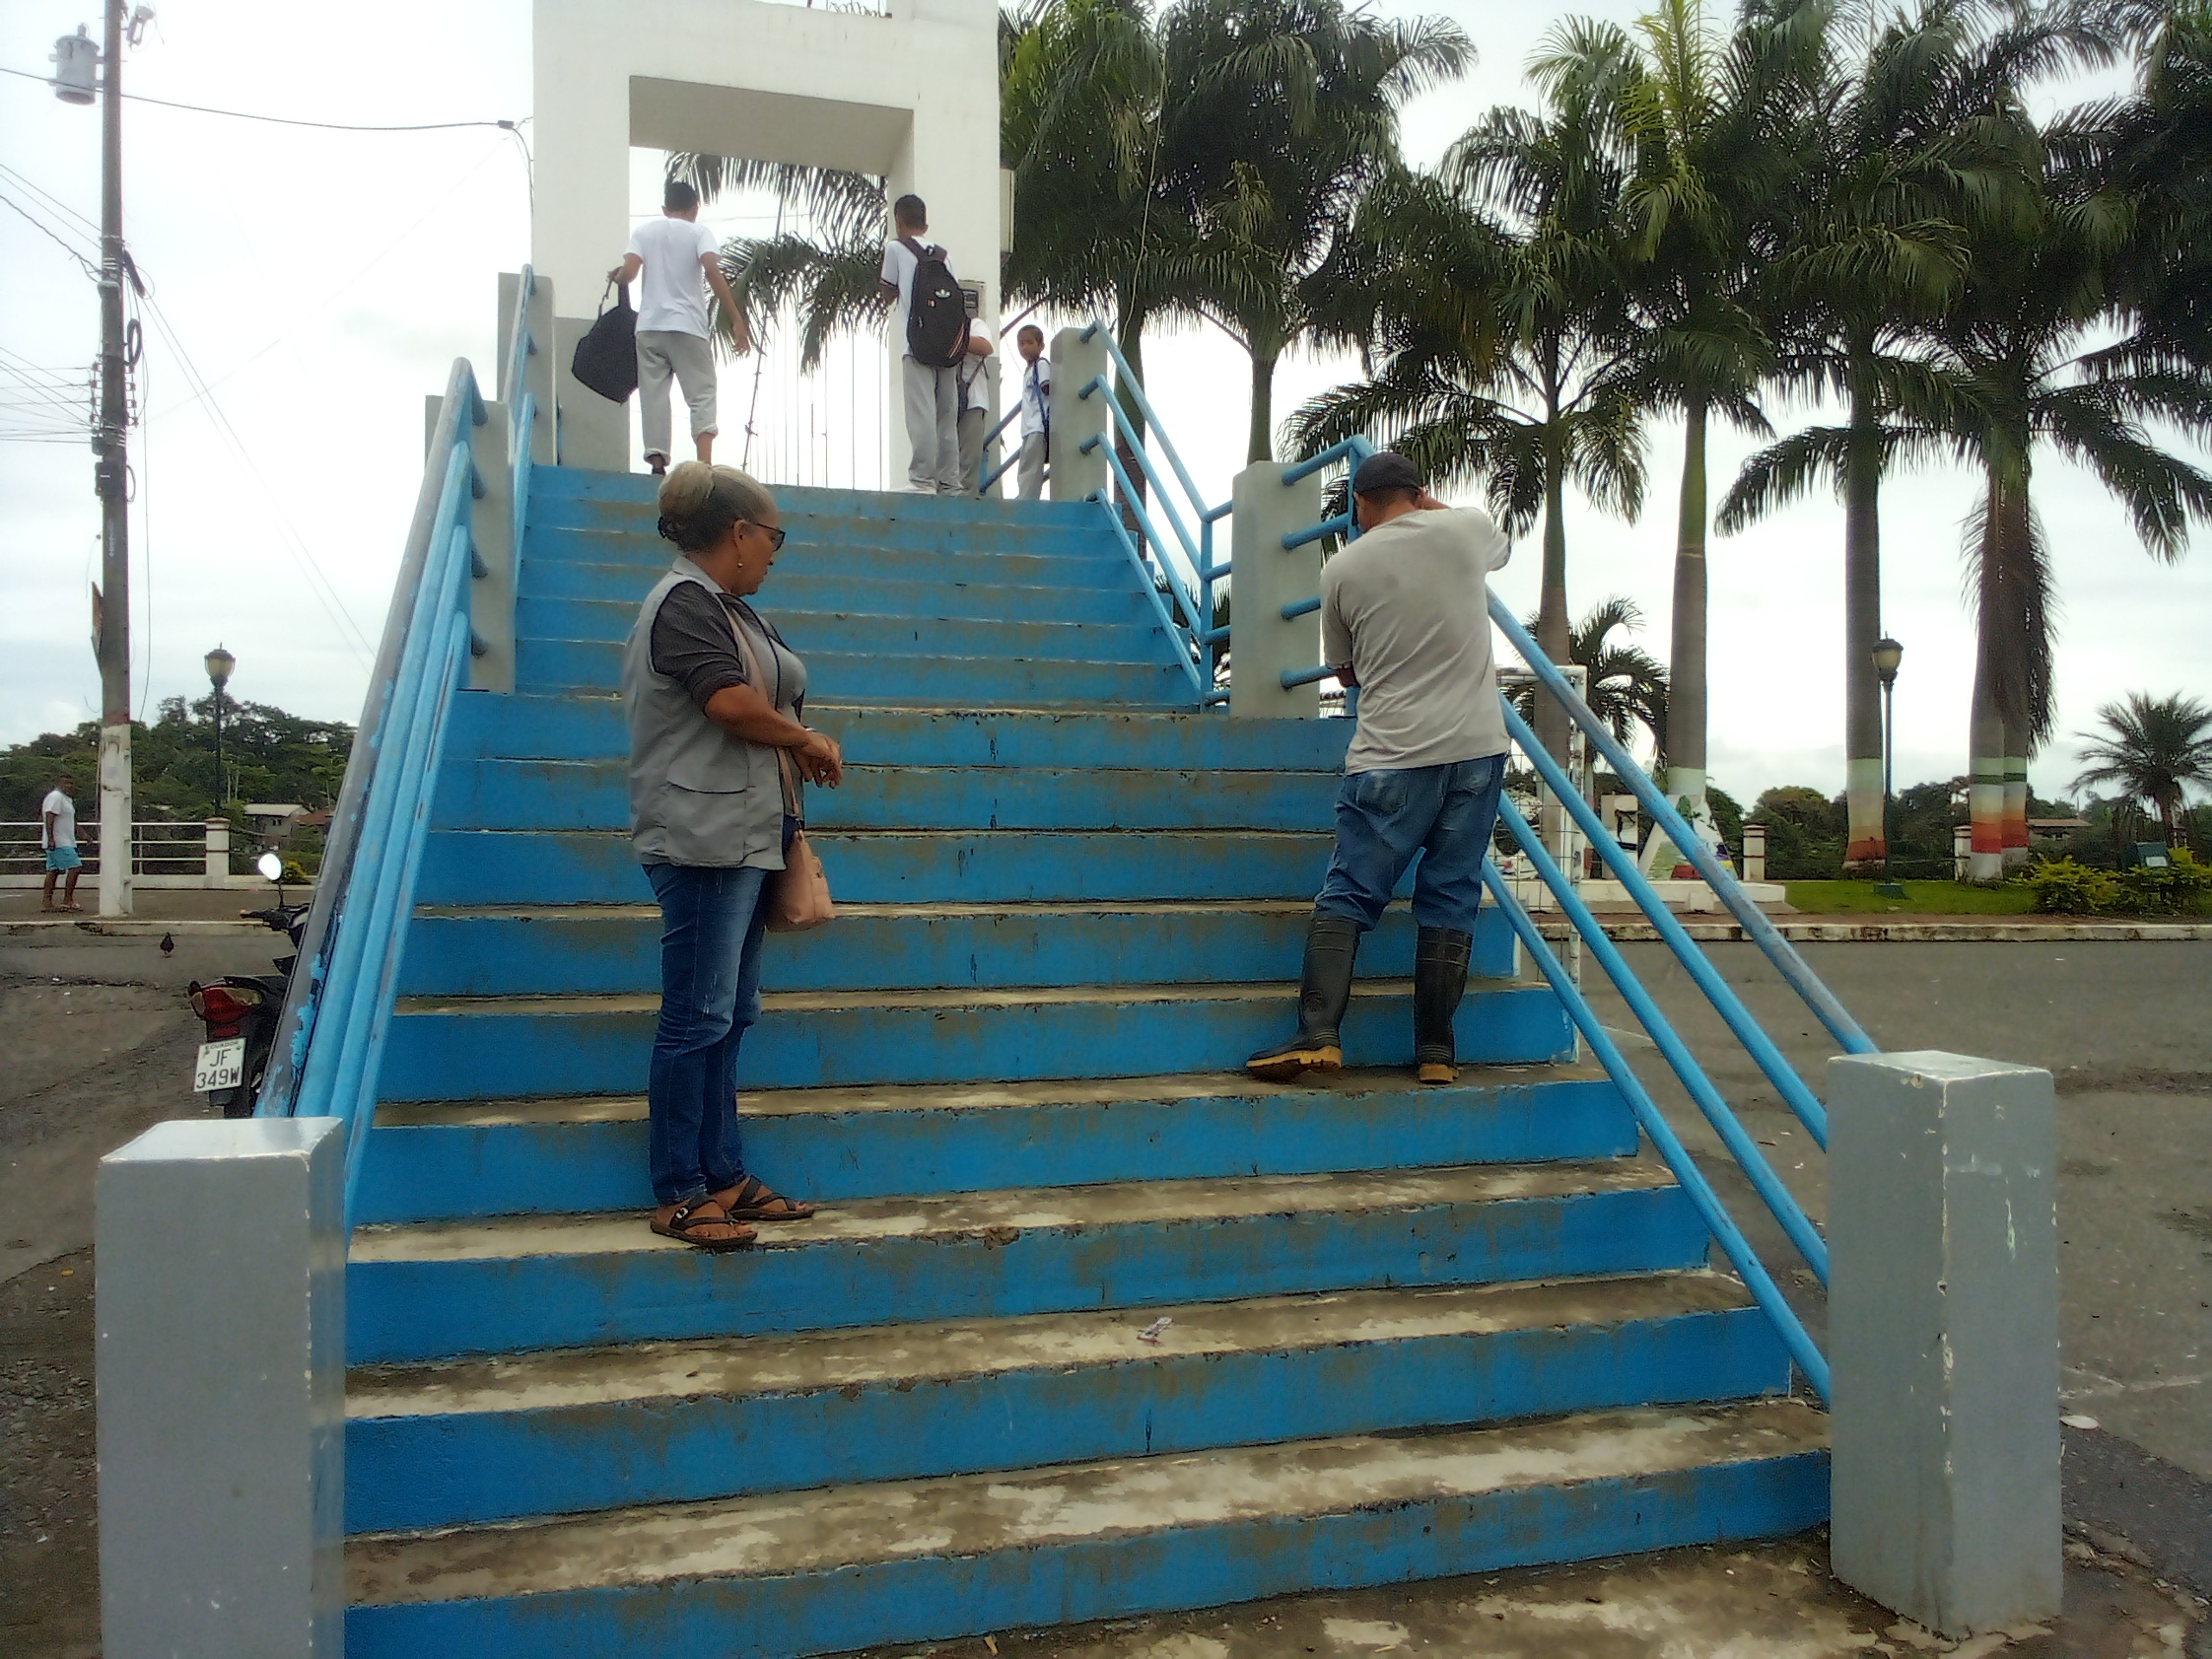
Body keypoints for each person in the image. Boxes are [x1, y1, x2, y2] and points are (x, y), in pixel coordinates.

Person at [622, 461, 843, 1250]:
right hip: (703, 839)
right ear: (740, 533)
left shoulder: (731, 609)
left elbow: (758, 696)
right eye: (774, 536)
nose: (776, 553)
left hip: (747, 835)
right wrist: (803, 737)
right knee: (697, 1015)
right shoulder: (684, 603)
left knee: (730, 1012)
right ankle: (679, 1191)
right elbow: (727, 700)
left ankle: (722, 1174)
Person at [1247, 451, 1515, 1088]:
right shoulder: (1464, 530)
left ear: (1361, 505)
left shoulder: (1343, 566)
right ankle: (1436, 1051)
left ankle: (1319, 1032)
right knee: (1451, 894)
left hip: (1392, 755)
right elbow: (1498, 546)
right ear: (1418, 494)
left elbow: (1346, 673)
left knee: (1351, 890)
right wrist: (1430, 507)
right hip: (1477, 748)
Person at [611, 179, 748, 479]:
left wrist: (617, 277)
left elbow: (630, 272)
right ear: (695, 208)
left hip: (650, 327)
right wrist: (736, 319)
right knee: (702, 392)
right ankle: (704, 464)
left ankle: (657, 462)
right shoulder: (699, 233)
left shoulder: (644, 232)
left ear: (665, 208)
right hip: (688, 327)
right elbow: (712, 271)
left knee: (654, 393)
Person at [880, 194, 967, 494]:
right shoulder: (945, 256)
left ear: (899, 221)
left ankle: (922, 480)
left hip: (916, 345)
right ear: (925, 223)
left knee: (922, 414)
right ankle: (950, 482)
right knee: (946, 417)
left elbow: (888, 291)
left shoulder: (896, 248)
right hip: (948, 348)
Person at [955, 324, 996, 495]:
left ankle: (967, 497)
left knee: (969, 456)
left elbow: (986, 347)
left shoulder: (976, 325)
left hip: (972, 400)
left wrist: (954, 338)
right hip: (948, 401)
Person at [1013, 324, 1051, 499]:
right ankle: (1024, 498)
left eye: (1029, 343)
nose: (1024, 347)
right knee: (1026, 466)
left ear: (1041, 345)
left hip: (1037, 425)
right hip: (1028, 427)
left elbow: (1047, 388)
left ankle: (1027, 501)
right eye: (1021, 344)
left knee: (1031, 468)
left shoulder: (1041, 365)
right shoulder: (1029, 370)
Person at [41, 773, 82, 913]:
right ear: (58, 783)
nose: (69, 786)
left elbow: (71, 820)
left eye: (71, 783)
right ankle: (67, 899)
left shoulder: (66, 799)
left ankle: (47, 902)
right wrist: (51, 838)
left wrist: (83, 834)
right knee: (75, 867)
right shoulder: (56, 797)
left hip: (66, 839)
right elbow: (50, 817)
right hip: (60, 841)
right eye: (65, 783)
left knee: (53, 870)